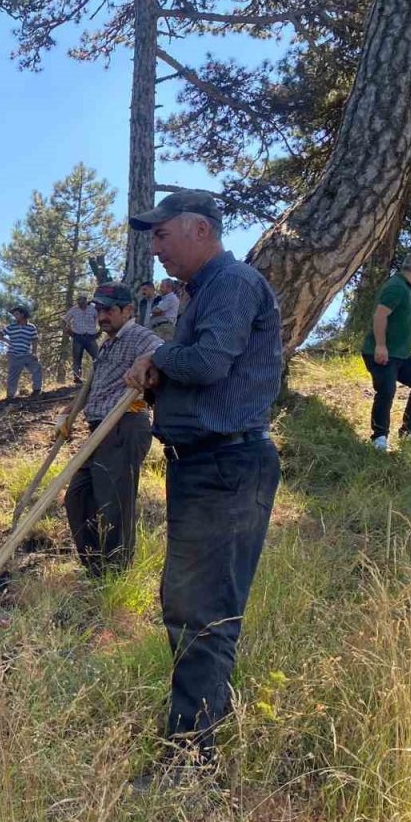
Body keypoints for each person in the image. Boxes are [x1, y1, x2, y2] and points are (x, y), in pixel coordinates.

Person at [122, 190, 282, 780]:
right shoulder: (200, 293)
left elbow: (211, 362)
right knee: (186, 605)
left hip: (227, 466)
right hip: (202, 466)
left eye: (162, 234)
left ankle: (191, 764)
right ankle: (194, 735)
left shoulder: (233, 283)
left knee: (205, 613)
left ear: (199, 229)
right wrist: (160, 376)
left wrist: (161, 357)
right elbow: (205, 374)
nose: (155, 247)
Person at [63, 284, 161, 577]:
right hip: (99, 429)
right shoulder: (108, 344)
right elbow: (96, 386)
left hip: (124, 424)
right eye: (98, 310)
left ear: (128, 310)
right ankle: (97, 571)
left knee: (113, 504)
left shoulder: (138, 336)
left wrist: (148, 362)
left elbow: (161, 351)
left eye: (108, 310)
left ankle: (116, 575)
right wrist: (71, 411)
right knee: (78, 496)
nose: (101, 316)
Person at [361, 250, 411, 451]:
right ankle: (379, 438)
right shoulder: (396, 287)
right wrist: (380, 345)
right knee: (386, 391)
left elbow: (407, 320)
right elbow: (380, 316)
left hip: (400, 354)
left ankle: (409, 430)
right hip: (382, 352)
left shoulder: (406, 288)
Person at [0, 305, 42, 399]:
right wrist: (7, 341)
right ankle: (10, 397)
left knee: (37, 368)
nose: (15, 316)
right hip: (14, 355)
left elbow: (34, 340)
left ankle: (37, 390)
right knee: (13, 376)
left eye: (17, 314)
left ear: (22, 314)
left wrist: (34, 353)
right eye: (14, 315)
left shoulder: (31, 327)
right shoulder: (11, 327)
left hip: (26, 354)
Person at [63, 294, 100, 384]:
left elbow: (100, 318)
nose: (79, 302)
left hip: (90, 337)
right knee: (77, 358)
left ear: (86, 300)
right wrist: (68, 330)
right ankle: (77, 378)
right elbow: (64, 320)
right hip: (78, 336)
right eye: (78, 300)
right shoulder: (74, 309)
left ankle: (98, 375)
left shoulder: (93, 309)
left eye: (81, 300)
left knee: (97, 357)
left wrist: (100, 331)